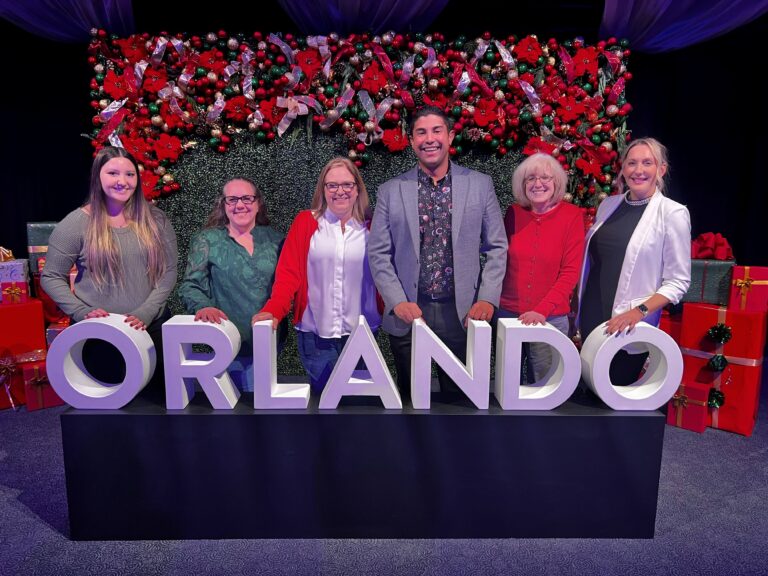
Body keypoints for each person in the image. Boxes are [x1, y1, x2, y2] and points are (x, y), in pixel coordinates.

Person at [368, 105, 508, 400]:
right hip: (409, 312)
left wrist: (486, 297)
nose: (429, 139)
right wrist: (397, 302)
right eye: (421, 132)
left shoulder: (480, 185)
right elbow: (378, 254)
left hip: (461, 313)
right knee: (410, 402)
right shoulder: (390, 191)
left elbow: (497, 246)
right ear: (411, 141)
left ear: (451, 136)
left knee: (459, 404)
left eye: (436, 131)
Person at [41, 146, 177, 388]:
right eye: (113, 173)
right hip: (98, 335)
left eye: (130, 174)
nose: (122, 181)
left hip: (151, 331)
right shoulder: (75, 223)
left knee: (157, 409)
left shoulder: (156, 219)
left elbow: (169, 271)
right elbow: (51, 276)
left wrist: (146, 312)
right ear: (97, 177)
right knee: (111, 416)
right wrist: (81, 311)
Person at [253, 157, 381, 392]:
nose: (339, 191)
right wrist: (273, 309)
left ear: (357, 188)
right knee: (324, 404)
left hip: (362, 334)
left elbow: (387, 273)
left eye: (347, 185)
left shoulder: (373, 226)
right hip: (316, 335)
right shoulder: (305, 222)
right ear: (323, 189)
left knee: (360, 409)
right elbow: (289, 274)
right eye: (332, 185)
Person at [577, 137, 691, 385]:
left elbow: (678, 282)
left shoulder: (673, 213)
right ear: (623, 169)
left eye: (647, 163)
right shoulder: (608, 205)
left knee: (616, 399)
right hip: (591, 315)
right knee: (590, 396)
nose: (638, 170)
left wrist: (638, 312)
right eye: (632, 163)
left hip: (629, 323)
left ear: (661, 169)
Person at [178, 178, 283, 392]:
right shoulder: (207, 240)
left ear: (258, 203)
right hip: (226, 346)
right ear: (223, 205)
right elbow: (190, 285)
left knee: (261, 412)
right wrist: (202, 307)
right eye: (232, 199)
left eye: (247, 198)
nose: (240, 205)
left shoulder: (277, 240)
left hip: (269, 343)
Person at [497, 153, 585, 382]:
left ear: (557, 182)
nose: (538, 184)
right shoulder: (513, 213)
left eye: (546, 177)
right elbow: (499, 261)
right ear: (521, 184)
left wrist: (541, 310)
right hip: (508, 314)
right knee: (507, 390)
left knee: (545, 390)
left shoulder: (572, 216)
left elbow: (570, 272)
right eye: (530, 179)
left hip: (550, 317)